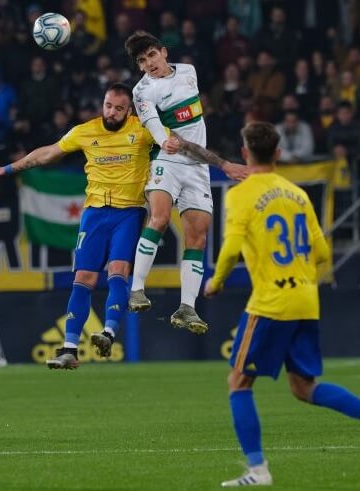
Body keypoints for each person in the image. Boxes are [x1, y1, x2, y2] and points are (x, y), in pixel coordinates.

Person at [204, 122, 360, 486]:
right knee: (303, 387)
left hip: (271, 300)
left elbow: (232, 248)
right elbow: (322, 252)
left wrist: (216, 282)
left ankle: (257, 470)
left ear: (245, 153)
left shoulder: (241, 194)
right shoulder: (297, 193)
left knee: (238, 382)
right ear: (279, 154)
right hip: (306, 299)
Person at [0, 83, 152, 369]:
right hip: (94, 214)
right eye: (108, 106)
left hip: (129, 212)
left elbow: (177, 143)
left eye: (119, 108)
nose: (112, 113)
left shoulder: (145, 130)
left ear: (130, 110)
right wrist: (10, 168)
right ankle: (70, 349)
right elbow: (48, 153)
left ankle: (108, 332)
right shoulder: (86, 131)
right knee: (83, 278)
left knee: (118, 270)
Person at [123, 31, 248, 333]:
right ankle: (137, 289)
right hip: (167, 159)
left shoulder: (188, 72)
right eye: (142, 61)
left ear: (163, 53)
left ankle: (187, 309)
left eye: (151, 55)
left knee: (198, 236)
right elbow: (157, 127)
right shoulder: (142, 93)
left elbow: (192, 128)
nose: (149, 63)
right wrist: (164, 139)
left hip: (197, 168)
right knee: (160, 218)